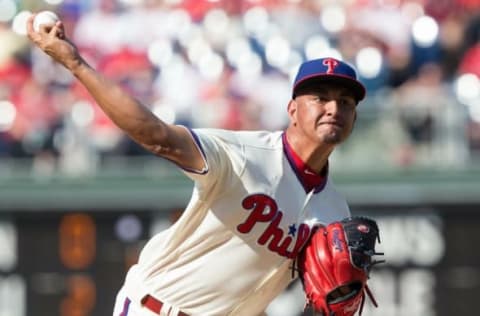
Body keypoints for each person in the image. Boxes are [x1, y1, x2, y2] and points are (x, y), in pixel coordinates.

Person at [26, 13, 365, 316]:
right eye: (320, 98)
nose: (334, 108)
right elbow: (156, 135)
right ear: (292, 110)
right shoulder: (244, 154)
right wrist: (76, 65)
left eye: (346, 102)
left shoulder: (335, 212)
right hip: (157, 308)